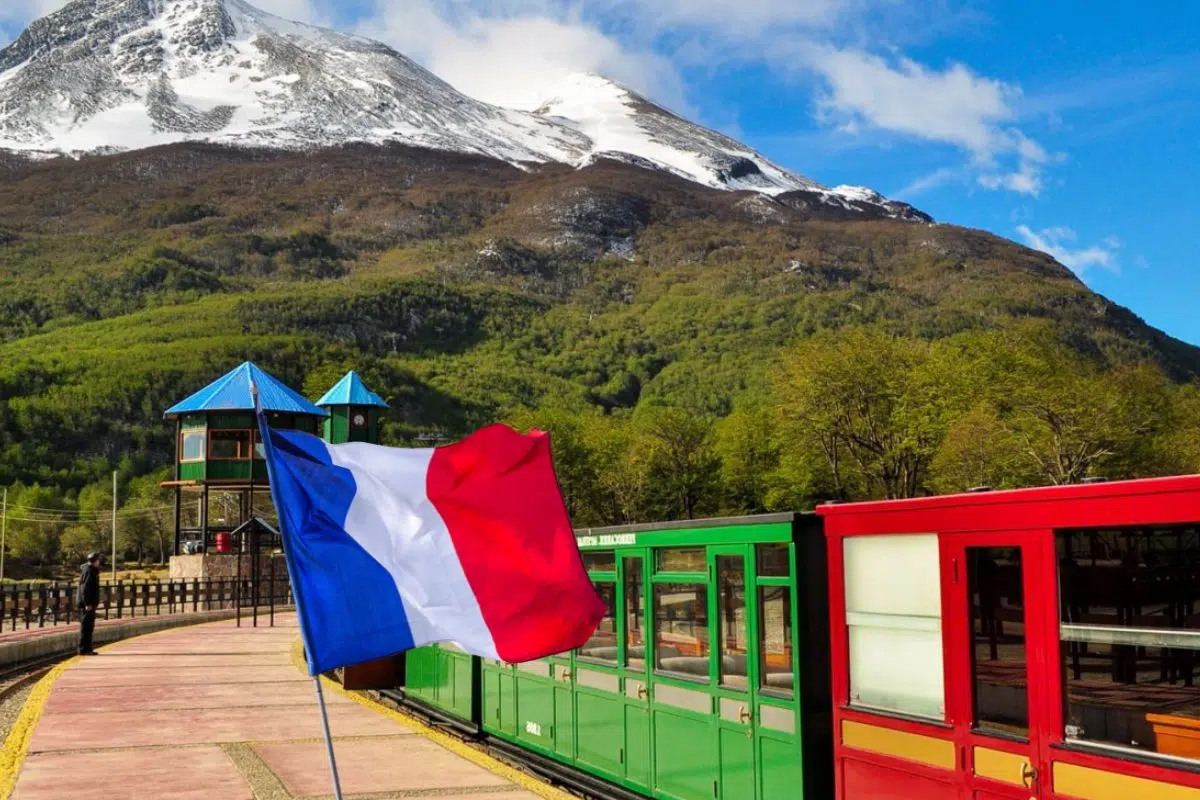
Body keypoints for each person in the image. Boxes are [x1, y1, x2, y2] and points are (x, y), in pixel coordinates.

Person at [77, 552, 101, 656]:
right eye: (98, 560)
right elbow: (85, 589)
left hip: (90, 603)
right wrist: (87, 603)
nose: (99, 562)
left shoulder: (91, 570)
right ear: (95, 561)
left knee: (89, 627)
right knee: (86, 627)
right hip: (87, 604)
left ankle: (88, 648)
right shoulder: (88, 571)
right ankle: (83, 649)